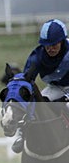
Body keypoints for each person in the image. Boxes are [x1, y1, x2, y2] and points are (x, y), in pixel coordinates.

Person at [12, 19, 69, 153]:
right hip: (55, 87)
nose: (50, 49)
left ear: (62, 41)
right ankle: (21, 135)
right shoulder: (37, 56)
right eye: (46, 45)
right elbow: (26, 80)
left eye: (54, 44)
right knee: (36, 105)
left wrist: (66, 98)